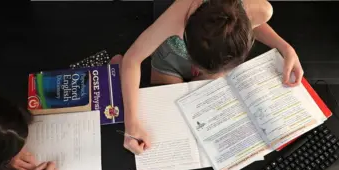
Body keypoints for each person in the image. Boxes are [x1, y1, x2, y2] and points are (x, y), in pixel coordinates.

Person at [120, 0, 304, 154]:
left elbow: (251, 23)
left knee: (204, 119)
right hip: (171, 60)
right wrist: (131, 123)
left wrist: (286, 48)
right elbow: (132, 59)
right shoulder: (180, 12)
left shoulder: (261, 9)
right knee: (168, 121)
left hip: (215, 64)